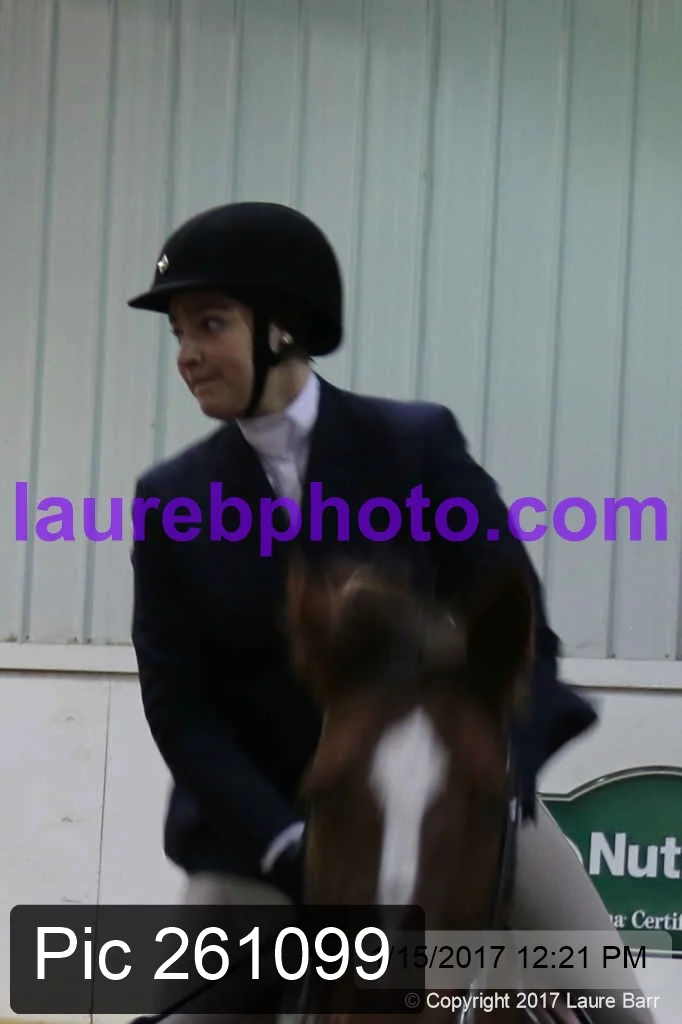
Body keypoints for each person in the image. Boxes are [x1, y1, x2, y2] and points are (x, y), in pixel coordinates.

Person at [128, 201, 656, 1023]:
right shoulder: (171, 500)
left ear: (283, 328)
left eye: (210, 324)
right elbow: (179, 706)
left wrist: (497, 774)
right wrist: (282, 839)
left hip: (447, 801)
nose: (187, 355)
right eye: (179, 334)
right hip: (264, 837)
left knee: (618, 1008)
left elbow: (527, 638)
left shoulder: (415, 447)